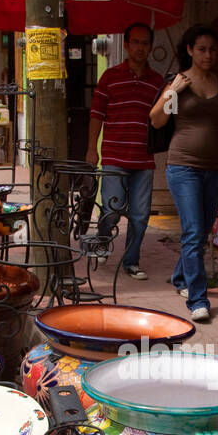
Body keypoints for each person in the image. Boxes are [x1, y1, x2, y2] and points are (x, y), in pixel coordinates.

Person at [149, 24, 218, 322]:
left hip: (213, 169)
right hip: (182, 167)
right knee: (192, 231)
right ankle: (197, 299)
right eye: (201, 49)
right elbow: (156, 121)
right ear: (190, 50)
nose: (208, 55)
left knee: (202, 232)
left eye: (212, 49)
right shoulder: (180, 83)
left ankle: (181, 278)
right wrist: (173, 92)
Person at [86, 22, 164, 279]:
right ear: (126, 45)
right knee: (111, 210)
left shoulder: (158, 82)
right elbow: (97, 114)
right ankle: (103, 238)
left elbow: (167, 118)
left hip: (144, 159)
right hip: (114, 157)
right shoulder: (110, 77)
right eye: (136, 42)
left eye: (145, 43)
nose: (140, 48)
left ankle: (131, 260)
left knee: (140, 216)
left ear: (151, 47)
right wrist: (91, 150)